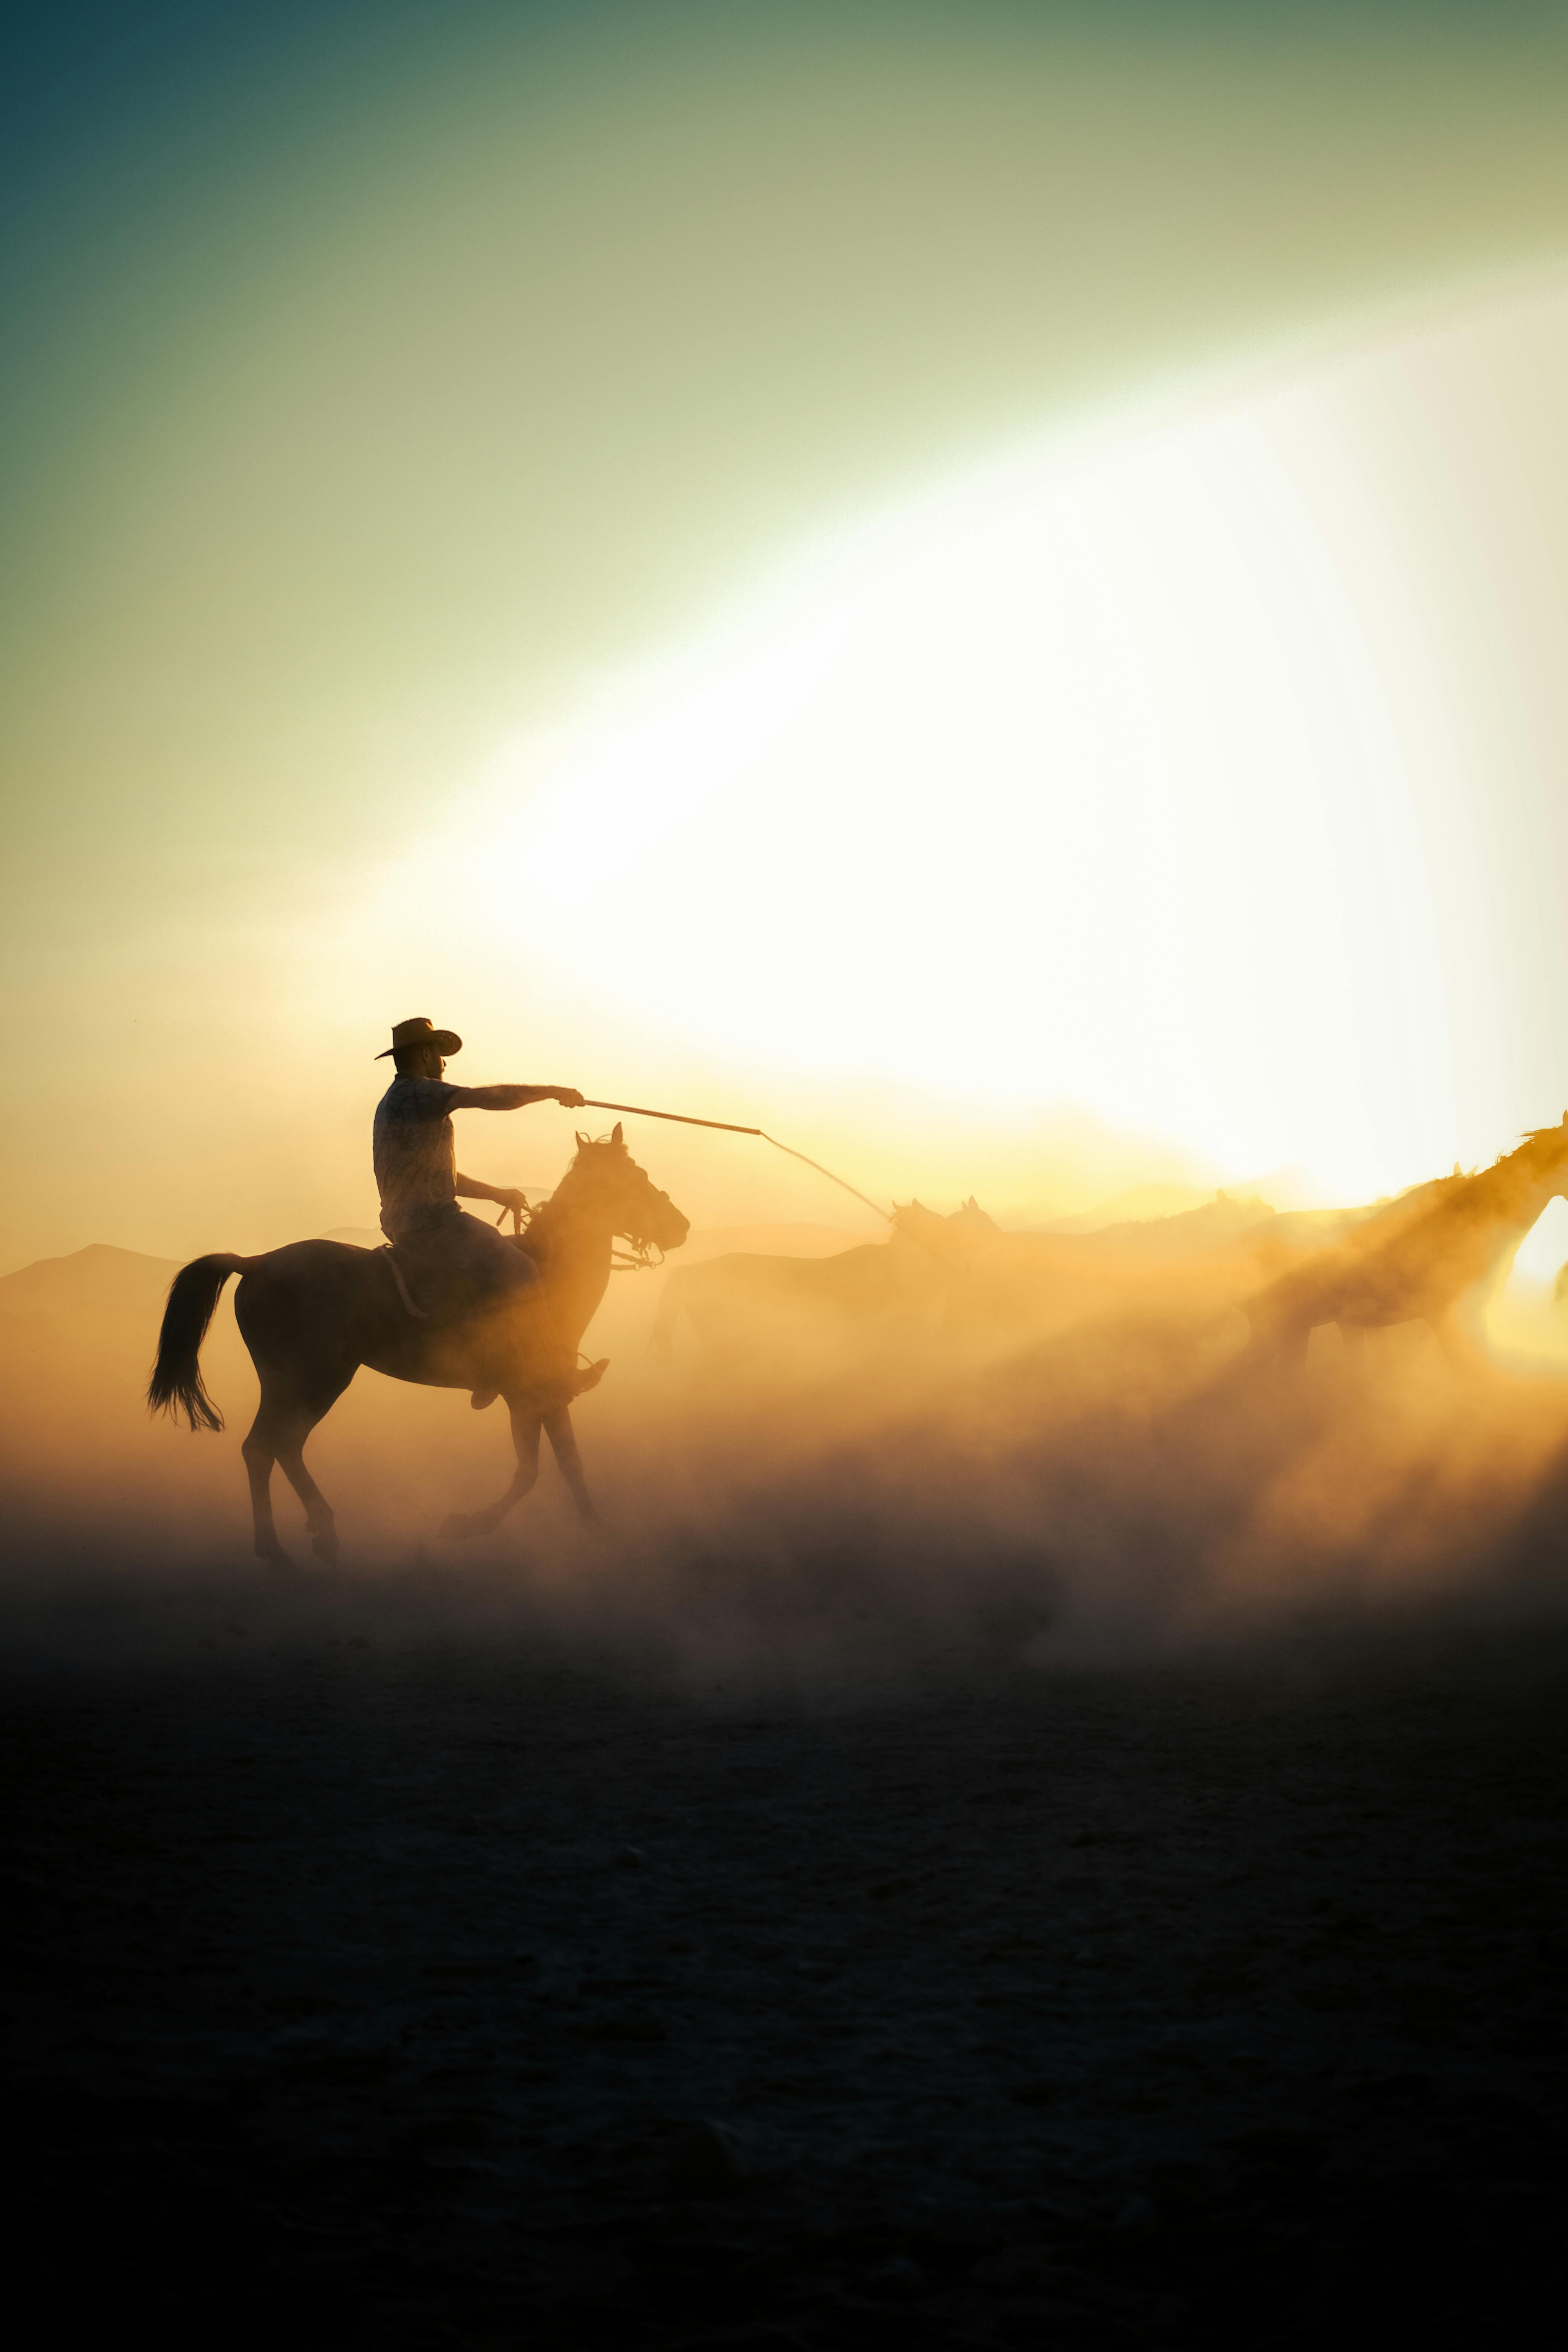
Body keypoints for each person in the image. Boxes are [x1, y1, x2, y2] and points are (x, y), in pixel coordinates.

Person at [372, 1016, 585, 1326]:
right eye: (440, 1056)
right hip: (434, 1224)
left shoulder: (395, 1099)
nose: (445, 1065)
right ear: (426, 1055)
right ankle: (543, 1370)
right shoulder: (421, 1093)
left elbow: (438, 1177)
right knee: (523, 1271)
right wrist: (554, 1091)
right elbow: (488, 1098)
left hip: (402, 1223)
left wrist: (498, 1195)